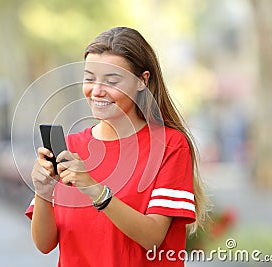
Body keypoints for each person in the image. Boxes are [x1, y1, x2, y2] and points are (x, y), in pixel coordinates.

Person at [25, 26, 209, 267]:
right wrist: (43, 192)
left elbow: (153, 238)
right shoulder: (70, 148)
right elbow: (45, 244)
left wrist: (94, 189)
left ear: (142, 81)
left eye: (112, 80)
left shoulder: (170, 146)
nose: (97, 90)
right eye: (89, 78)